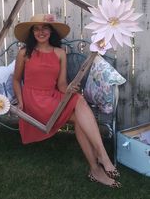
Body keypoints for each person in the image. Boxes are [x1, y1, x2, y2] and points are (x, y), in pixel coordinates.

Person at [13, 13, 121, 188]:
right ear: (32, 32)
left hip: (52, 95)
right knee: (81, 110)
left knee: (79, 105)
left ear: (51, 31)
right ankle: (101, 160)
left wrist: (69, 89)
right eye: (37, 29)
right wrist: (20, 102)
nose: (41, 32)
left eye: (45, 27)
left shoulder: (60, 53)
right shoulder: (25, 53)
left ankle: (96, 167)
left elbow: (62, 85)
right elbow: (16, 80)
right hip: (34, 101)